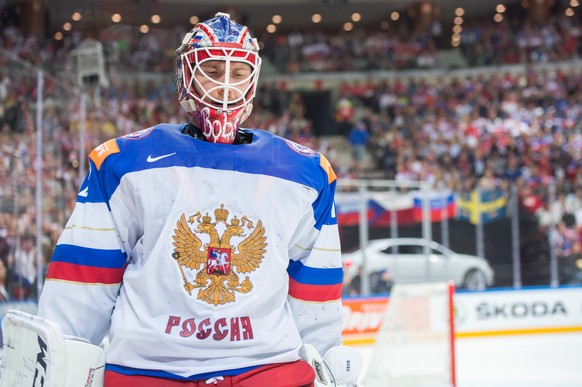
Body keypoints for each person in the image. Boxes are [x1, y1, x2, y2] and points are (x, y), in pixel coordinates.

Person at [37, 13, 345, 387]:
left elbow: (316, 299)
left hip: (266, 369)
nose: (226, 86)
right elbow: (83, 284)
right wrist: (58, 361)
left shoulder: (307, 173)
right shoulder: (123, 163)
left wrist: (327, 360)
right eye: (213, 70)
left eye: (237, 73)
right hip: (150, 371)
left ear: (254, 79)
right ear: (186, 76)